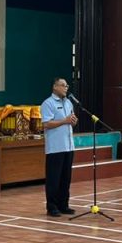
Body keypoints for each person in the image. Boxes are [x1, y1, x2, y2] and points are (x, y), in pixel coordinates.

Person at [41, 78, 77, 217]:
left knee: (65, 178)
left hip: (68, 146)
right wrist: (65, 121)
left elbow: (70, 120)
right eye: (63, 85)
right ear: (55, 87)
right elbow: (47, 124)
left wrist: (73, 121)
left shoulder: (68, 102)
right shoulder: (48, 103)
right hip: (55, 148)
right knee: (54, 179)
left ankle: (64, 205)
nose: (66, 88)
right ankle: (52, 207)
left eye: (67, 86)